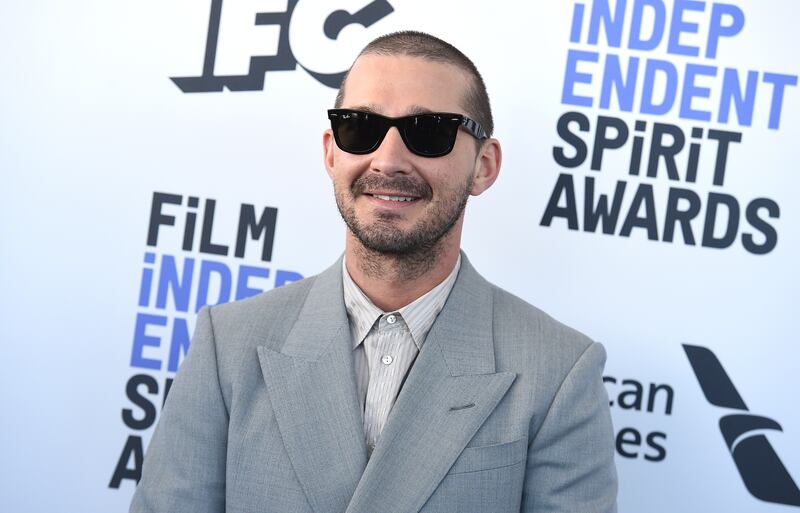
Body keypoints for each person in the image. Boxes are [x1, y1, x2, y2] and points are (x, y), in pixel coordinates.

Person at [130, 30, 618, 513]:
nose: (387, 160)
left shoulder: (559, 374)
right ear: (331, 151)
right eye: (360, 127)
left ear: (484, 166)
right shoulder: (228, 344)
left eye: (428, 132)